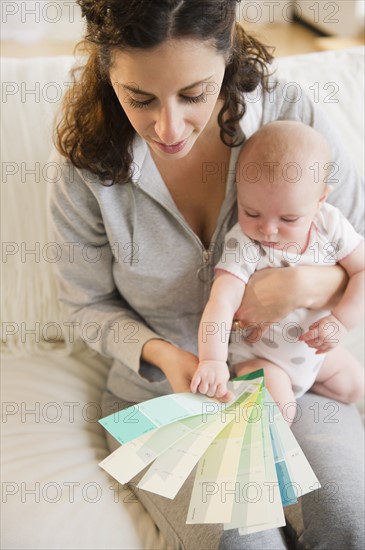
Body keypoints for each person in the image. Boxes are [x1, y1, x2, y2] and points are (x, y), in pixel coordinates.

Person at [48, 1, 364, 548]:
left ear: (228, 54)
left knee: (348, 520)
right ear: (107, 70)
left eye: (194, 94)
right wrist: (171, 358)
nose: (167, 127)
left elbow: (355, 244)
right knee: (245, 538)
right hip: (164, 395)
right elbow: (85, 305)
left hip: (292, 370)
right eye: (139, 98)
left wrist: (306, 285)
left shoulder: (289, 115)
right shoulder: (87, 165)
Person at [192, 120, 364, 420]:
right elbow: (221, 302)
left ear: (320, 199)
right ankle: (248, 390)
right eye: (252, 212)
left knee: (355, 388)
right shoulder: (244, 243)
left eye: (289, 218)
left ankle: (300, 388)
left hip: (313, 356)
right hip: (261, 359)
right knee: (280, 413)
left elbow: (362, 270)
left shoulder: (330, 223)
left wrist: (340, 323)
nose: (268, 229)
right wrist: (213, 360)